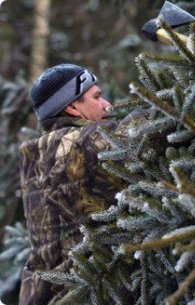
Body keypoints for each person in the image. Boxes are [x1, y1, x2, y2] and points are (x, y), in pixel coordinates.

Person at [18, 63, 124, 305]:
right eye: (96, 96)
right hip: (80, 295)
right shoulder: (78, 144)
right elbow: (149, 131)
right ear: (72, 107)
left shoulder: (40, 152)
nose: (107, 103)